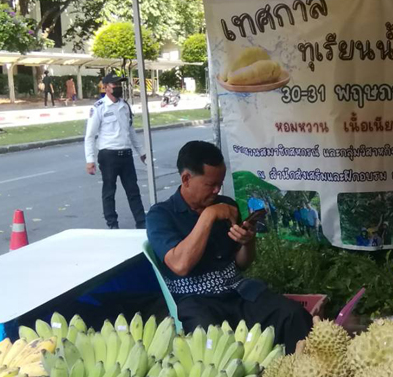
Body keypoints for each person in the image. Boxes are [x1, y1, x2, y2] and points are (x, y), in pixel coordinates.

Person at [146, 140, 312, 353]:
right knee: (212, 345)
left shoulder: (227, 205)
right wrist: (209, 215)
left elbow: (242, 263)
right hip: (196, 301)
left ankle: (294, 375)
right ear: (186, 179)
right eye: (210, 184)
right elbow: (180, 264)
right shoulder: (160, 215)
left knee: (293, 315)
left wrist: (247, 241)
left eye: (220, 183)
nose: (217, 190)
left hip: (237, 292)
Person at [84, 75, 147, 229]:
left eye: (119, 84)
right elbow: (90, 136)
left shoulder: (125, 106)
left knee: (133, 190)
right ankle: (112, 224)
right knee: (109, 191)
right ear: (105, 86)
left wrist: (141, 152)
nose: (118, 86)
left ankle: (142, 223)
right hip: (108, 155)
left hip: (126, 154)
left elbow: (130, 131)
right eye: (114, 84)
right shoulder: (98, 107)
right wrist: (90, 160)